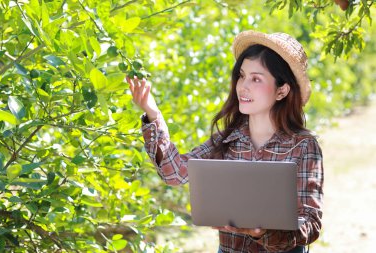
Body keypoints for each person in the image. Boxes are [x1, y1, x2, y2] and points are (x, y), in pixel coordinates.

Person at [128, 30, 324, 253]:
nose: (243, 86)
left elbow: (311, 222)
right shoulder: (225, 140)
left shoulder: (304, 146)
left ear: (282, 90)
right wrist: (153, 114)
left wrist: (266, 233)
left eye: (256, 78)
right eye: (242, 75)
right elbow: (175, 173)